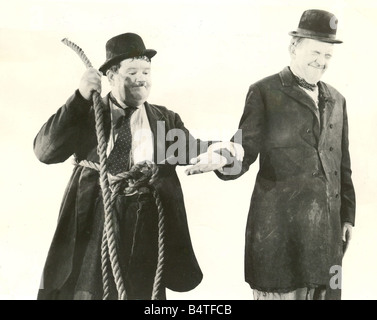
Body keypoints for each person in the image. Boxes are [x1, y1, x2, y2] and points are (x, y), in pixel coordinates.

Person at [34, 32, 232, 300]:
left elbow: (194, 149)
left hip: (146, 228)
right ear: (111, 76)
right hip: (95, 223)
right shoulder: (86, 115)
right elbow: (45, 151)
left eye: (146, 72)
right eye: (132, 72)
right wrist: (80, 97)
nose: (142, 79)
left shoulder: (164, 121)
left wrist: (225, 153)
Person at [187, 9, 356, 300]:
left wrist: (348, 218)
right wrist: (224, 158)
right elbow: (245, 148)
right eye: (316, 52)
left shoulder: (338, 99)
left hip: (326, 239)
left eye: (328, 56)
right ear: (294, 47)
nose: (322, 62)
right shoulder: (264, 91)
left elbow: (343, 166)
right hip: (279, 237)